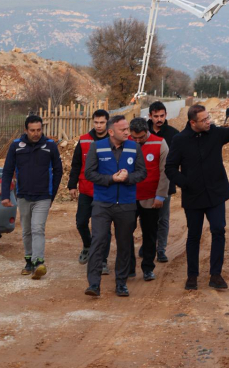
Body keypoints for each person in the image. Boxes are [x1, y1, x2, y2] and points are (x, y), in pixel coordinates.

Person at [166, 96, 229, 291]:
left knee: (218, 231)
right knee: (194, 236)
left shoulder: (215, 133)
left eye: (208, 118)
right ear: (193, 123)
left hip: (215, 194)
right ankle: (192, 276)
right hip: (193, 196)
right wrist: (185, 184)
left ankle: (215, 275)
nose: (209, 121)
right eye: (204, 120)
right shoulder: (179, 140)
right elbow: (170, 168)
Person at [83, 116, 147, 297]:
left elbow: (142, 173)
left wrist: (128, 178)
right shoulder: (97, 146)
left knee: (125, 244)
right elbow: (89, 173)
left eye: (127, 129)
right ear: (111, 132)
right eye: (123, 130)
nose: (128, 132)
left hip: (126, 204)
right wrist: (111, 178)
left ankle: (121, 283)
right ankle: (94, 284)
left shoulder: (134, 147)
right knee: (98, 241)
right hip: (102, 204)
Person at [1, 114, 63, 279]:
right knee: (27, 230)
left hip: (43, 196)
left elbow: (58, 170)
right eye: (32, 130)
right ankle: (28, 260)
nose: (36, 133)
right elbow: (7, 171)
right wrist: (5, 195)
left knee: (37, 228)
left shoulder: (50, 145)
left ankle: (38, 263)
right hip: (23, 195)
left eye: (39, 130)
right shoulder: (16, 146)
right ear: (26, 130)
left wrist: (52, 194)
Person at [68, 109, 113, 274]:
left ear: (107, 123)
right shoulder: (84, 140)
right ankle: (88, 245)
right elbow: (76, 164)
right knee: (81, 222)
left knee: (103, 229)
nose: (99, 126)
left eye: (102, 122)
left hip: (106, 192)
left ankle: (102, 261)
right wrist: (72, 185)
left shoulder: (113, 140)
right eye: (96, 122)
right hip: (86, 190)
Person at [128, 117, 170, 281]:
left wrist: (160, 196)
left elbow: (165, 172)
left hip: (150, 198)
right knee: (125, 233)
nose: (137, 141)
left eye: (141, 137)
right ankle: (128, 267)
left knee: (150, 234)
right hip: (129, 197)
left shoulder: (160, 144)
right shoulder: (126, 143)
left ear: (147, 131)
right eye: (135, 137)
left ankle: (147, 268)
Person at [147, 101, 180, 263]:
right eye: (156, 116)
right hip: (145, 183)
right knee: (146, 218)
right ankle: (147, 245)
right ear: (150, 116)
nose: (159, 119)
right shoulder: (142, 132)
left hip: (166, 182)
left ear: (166, 115)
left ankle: (161, 250)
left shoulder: (174, 134)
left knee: (163, 218)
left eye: (162, 116)